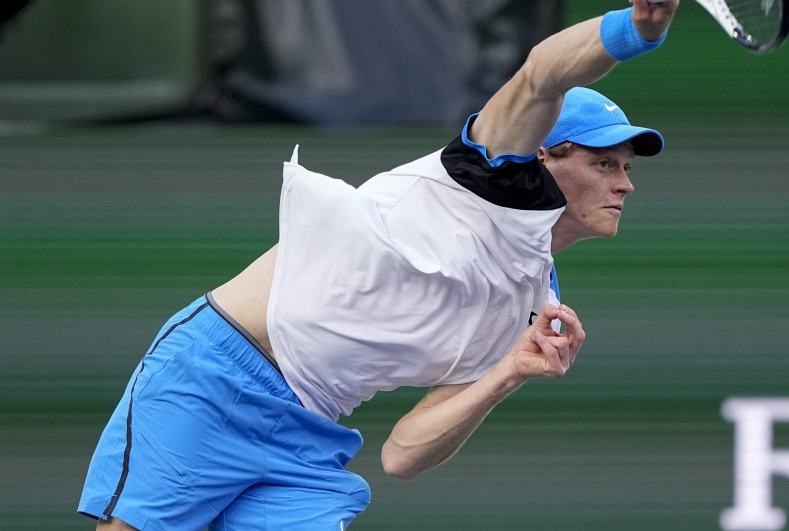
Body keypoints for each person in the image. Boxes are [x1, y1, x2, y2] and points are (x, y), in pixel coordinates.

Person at [78, 1, 678, 529]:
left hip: (306, 430)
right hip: (215, 375)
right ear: (544, 153)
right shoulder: (487, 174)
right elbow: (541, 73)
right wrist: (635, 30)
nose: (625, 183)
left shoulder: (532, 311)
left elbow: (403, 454)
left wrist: (510, 372)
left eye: (627, 167)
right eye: (605, 163)